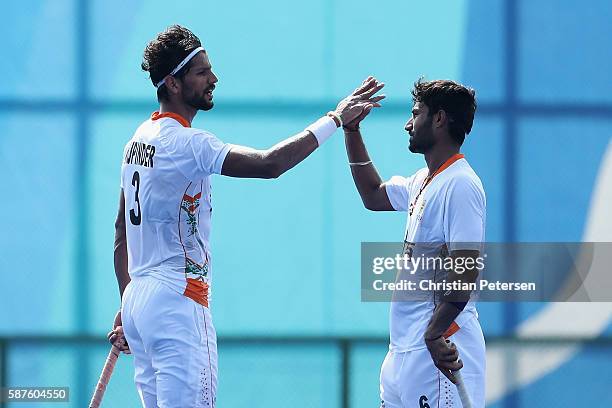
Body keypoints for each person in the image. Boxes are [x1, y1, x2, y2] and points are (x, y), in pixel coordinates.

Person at [107, 25, 385, 408]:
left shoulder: (136, 140)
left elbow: (122, 229)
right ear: (172, 83)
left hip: (139, 300)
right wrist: (335, 119)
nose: (214, 79)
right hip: (177, 303)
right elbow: (270, 164)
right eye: (202, 72)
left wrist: (130, 300)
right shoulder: (188, 144)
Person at [343, 78, 486, 407]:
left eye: (415, 113)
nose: (408, 124)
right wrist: (351, 131)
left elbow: (466, 271)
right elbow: (373, 195)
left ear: (439, 119)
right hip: (403, 351)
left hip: (440, 350)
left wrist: (434, 333)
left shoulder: (462, 185)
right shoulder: (423, 180)